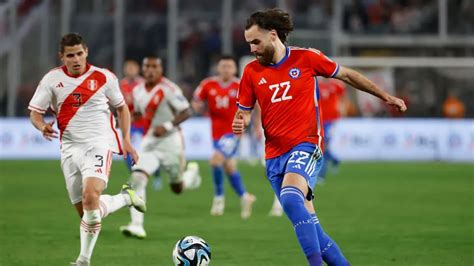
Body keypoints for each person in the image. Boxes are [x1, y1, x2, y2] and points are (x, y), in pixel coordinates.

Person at [233, 9, 406, 266]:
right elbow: (244, 111)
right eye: (249, 43)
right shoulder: (251, 72)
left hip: (307, 145)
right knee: (315, 232)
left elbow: (347, 75)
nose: (252, 48)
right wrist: (241, 121)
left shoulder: (306, 58)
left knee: (291, 198)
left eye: (256, 42)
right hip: (274, 155)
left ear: (272, 35)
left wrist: (385, 96)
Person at [28, 33, 146, 266]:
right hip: (70, 148)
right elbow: (35, 111)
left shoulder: (104, 77)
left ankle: (83, 260)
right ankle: (125, 198)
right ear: (62, 56)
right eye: (70, 55)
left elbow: (122, 109)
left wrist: (127, 141)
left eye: (79, 53)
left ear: (86, 52)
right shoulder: (51, 80)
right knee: (88, 214)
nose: (76, 59)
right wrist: (41, 125)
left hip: (99, 143)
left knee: (91, 196)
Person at [119, 56, 201, 239]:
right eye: (147, 66)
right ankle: (136, 225)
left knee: (177, 188)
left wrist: (167, 126)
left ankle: (190, 176)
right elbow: (141, 113)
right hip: (150, 141)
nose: (150, 70)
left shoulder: (169, 88)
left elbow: (186, 111)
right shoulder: (138, 90)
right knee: (137, 177)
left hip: (171, 141)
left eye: (154, 67)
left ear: (160, 69)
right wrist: (129, 119)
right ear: (143, 68)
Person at [192, 55, 256, 219]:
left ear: (234, 69)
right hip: (216, 134)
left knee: (215, 160)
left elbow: (254, 105)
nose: (226, 69)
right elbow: (196, 99)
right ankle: (245, 197)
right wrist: (197, 106)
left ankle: (219, 198)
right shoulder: (208, 84)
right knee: (229, 167)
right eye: (223, 66)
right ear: (218, 68)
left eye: (229, 66)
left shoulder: (240, 85)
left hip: (233, 132)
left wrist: (254, 124)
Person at [318, 78, 347, 181]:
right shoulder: (317, 84)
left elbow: (343, 97)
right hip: (319, 119)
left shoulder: (336, 85)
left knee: (323, 145)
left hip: (331, 120)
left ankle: (321, 174)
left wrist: (342, 108)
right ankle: (335, 160)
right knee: (322, 146)